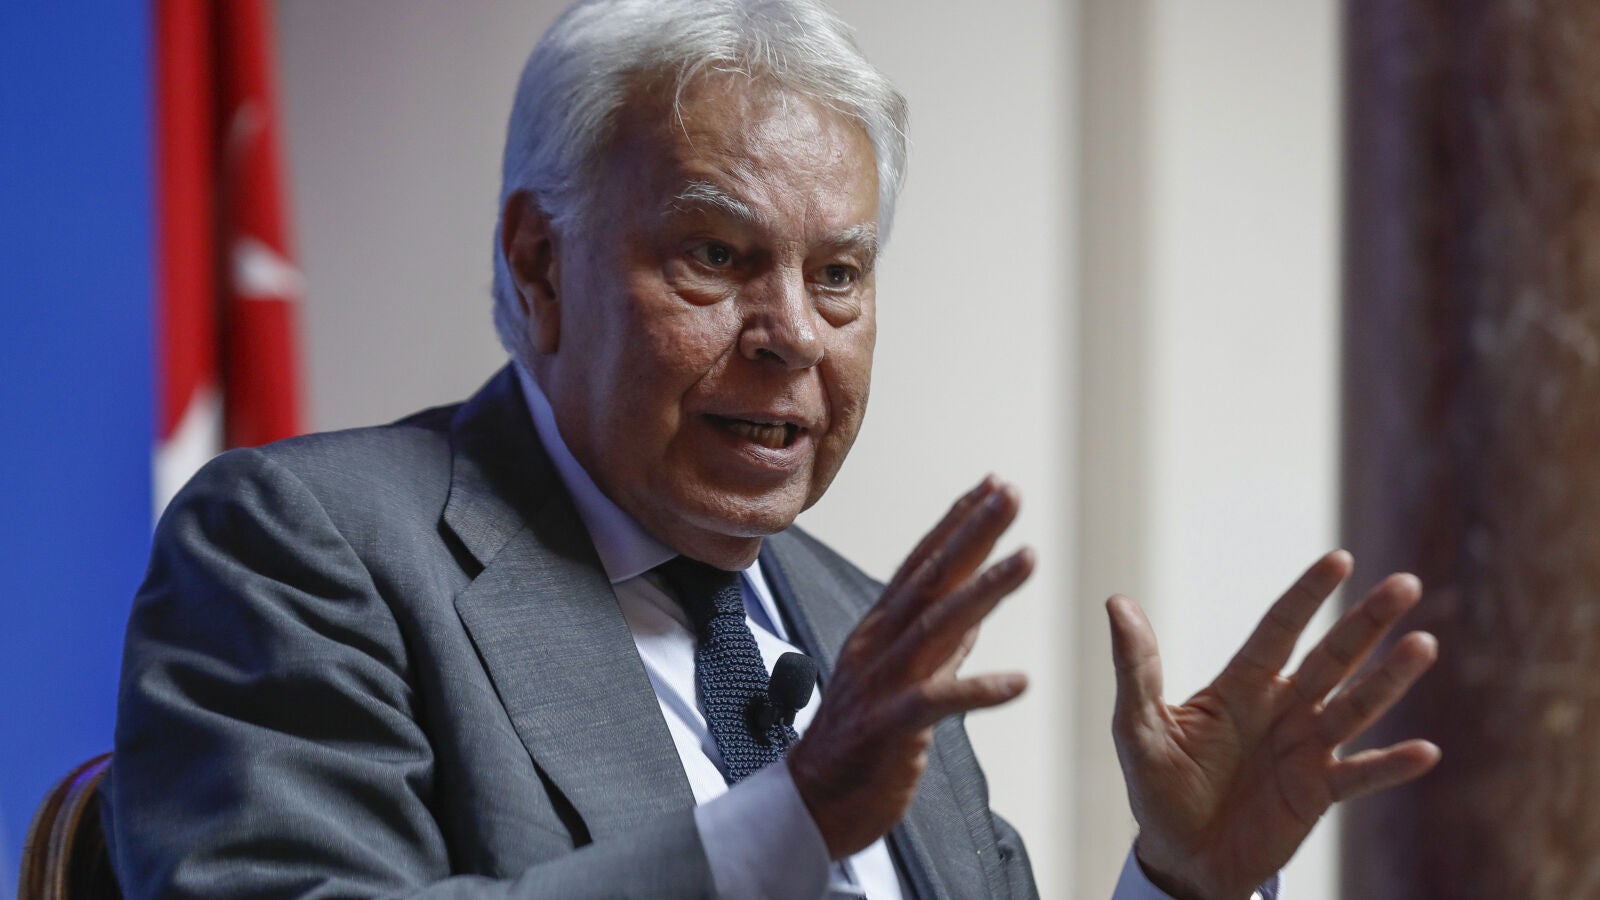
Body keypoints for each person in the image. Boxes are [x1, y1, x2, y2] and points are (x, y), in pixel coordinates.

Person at [106, 1, 1442, 897]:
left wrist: (1181, 885)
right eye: (716, 254)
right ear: (540, 264)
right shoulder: (308, 546)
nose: (794, 333)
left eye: (840, 274)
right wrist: (790, 821)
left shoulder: (866, 632)